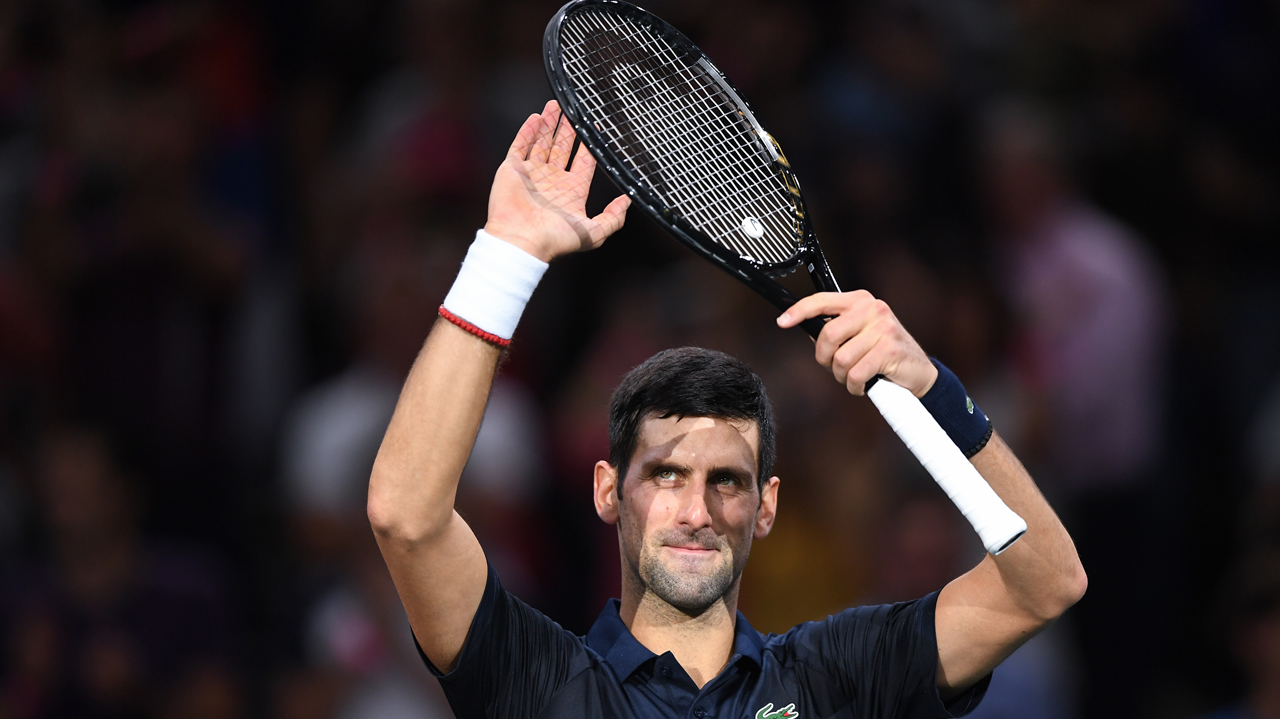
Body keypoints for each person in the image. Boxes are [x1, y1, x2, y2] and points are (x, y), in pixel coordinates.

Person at [366, 100, 1087, 719]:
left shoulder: (835, 674)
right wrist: (505, 258)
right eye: (666, 474)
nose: (697, 510)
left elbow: (1046, 583)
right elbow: (407, 517)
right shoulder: (541, 679)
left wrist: (931, 388)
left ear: (766, 505)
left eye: (727, 481)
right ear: (608, 490)